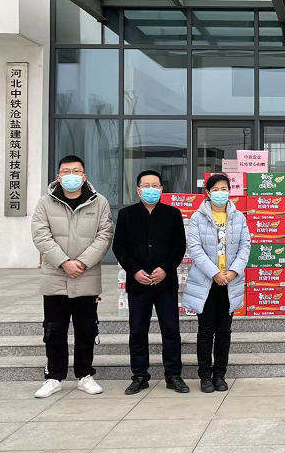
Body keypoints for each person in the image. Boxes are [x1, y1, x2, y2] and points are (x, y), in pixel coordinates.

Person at [30, 155, 113, 398]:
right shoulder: (45, 203)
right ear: (58, 176)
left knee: (86, 330)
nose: (71, 176)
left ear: (84, 176)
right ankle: (53, 377)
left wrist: (82, 262)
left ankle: (85, 375)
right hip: (55, 278)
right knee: (54, 331)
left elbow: (105, 236)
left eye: (76, 171)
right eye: (66, 171)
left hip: (87, 278)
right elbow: (40, 235)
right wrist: (64, 262)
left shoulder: (99, 202)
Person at [112, 170, 189, 395]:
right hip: (138, 283)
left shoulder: (172, 214)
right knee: (137, 331)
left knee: (171, 330)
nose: (151, 189)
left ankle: (173, 375)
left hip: (165, 283)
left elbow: (179, 246)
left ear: (161, 189)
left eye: (155, 185)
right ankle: (139, 376)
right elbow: (119, 247)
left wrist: (165, 269)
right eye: (146, 186)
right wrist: (135, 271)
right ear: (138, 190)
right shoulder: (126, 215)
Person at [182, 174, 250, 393]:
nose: (221, 193)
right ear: (208, 193)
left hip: (230, 282)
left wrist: (233, 272)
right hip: (206, 282)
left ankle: (220, 374)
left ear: (230, 191)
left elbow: (245, 247)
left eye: (224, 189)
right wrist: (214, 273)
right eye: (216, 189)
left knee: (224, 331)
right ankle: (205, 375)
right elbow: (195, 248)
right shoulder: (197, 217)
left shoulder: (238, 217)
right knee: (205, 330)